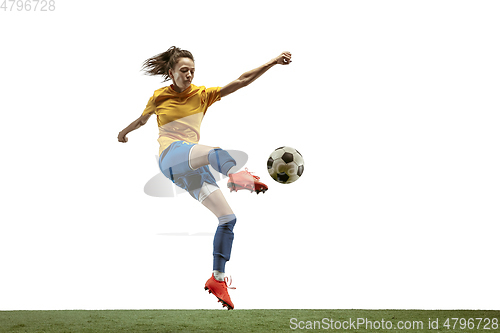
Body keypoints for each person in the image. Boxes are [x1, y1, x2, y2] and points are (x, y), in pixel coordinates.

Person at [118, 46, 292, 309]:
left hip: (190, 171)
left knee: (228, 218)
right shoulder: (159, 97)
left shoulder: (202, 95)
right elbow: (142, 120)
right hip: (171, 157)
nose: (189, 75)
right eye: (183, 71)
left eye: (192, 71)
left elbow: (241, 81)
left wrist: (272, 62)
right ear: (171, 72)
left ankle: (218, 278)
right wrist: (124, 131)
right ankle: (237, 176)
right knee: (216, 154)